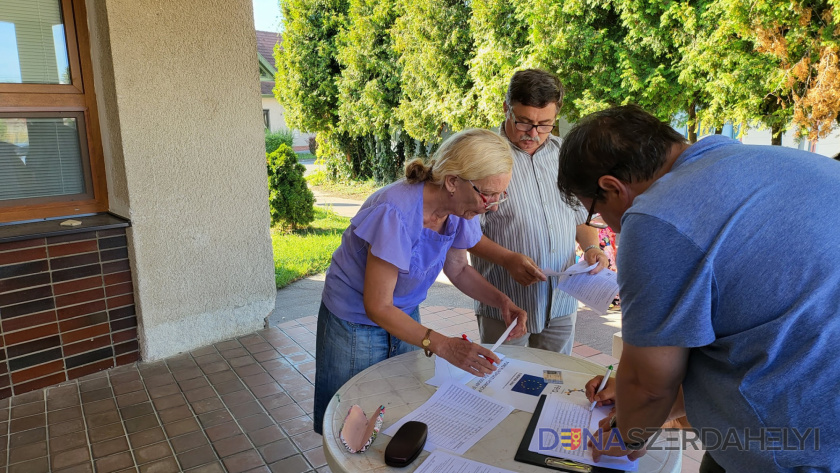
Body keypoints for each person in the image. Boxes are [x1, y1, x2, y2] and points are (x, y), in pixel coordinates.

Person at [557, 105, 840, 471]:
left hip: (795, 449)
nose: (604, 223)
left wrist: (630, 434)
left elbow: (648, 383)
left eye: (593, 212)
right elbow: (756, 326)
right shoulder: (785, 162)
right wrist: (638, 404)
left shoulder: (656, 217)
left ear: (612, 188)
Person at [313, 129, 529, 435]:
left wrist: (502, 302)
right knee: (350, 418)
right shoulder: (396, 210)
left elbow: (458, 269)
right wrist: (443, 345)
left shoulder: (459, 211)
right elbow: (377, 305)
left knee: (395, 407)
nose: (491, 205)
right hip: (354, 322)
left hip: (403, 312)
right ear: (453, 181)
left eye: (500, 195)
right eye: (487, 194)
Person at [469, 69, 609, 355]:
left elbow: (577, 215)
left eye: (545, 125)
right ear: (506, 108)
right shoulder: (482, 157)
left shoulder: (565, 155)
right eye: (524, 122)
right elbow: (463, 234)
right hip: (505, 304)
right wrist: (508, 260)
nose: (534, 134)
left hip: (560, 302)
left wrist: (592, 247)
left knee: (556, 383)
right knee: (505, 387)